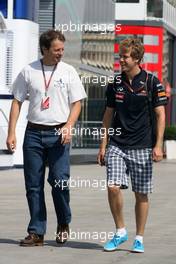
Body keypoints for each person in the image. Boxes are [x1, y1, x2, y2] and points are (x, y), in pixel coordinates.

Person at [6, 29, 87, 246]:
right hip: (33, 134)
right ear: (44, 49)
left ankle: (63, 222)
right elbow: (17, 101)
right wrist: (11, 132)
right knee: (33, 185)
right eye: (57, 49)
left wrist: (69, 126)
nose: (61, 53)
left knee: (59, 182)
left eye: (62, 49)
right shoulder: (29, 71)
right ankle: (37, 232)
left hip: (59, 133)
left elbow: (77, 103)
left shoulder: (68, 71)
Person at [97, 38, 167, 253]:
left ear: (137, 58)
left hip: (142, 146)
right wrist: (103, 145)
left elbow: (160, 115)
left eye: (125, 56)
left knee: (140, 194)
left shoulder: (152, 83)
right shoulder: (115, 83)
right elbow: (108, 115)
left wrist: (158, 145)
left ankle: (139, 238)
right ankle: (120, 231)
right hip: (117, 145)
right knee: (112, 186)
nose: (121, 60)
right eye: (120, 56)